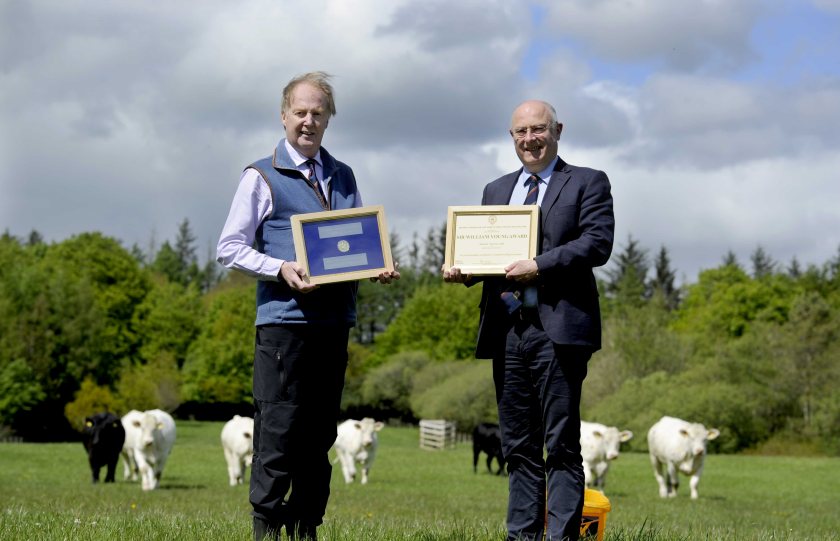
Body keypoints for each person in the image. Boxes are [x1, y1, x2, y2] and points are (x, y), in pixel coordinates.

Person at [217, 71, 398, 541]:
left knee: (320, 436)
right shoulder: (261, 175)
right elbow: (229, 247)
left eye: (318, 113)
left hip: (334, 324)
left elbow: (355, 245)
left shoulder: (344, 175)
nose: (309, 121)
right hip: (284, 326)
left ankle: (306, 525)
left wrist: (376, 264)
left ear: (328, 119)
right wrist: (280, 267)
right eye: (300, 112)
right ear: (283, 116)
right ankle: (267, 527)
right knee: (277, 429)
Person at [443, 100, 614, 540]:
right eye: (520, 132)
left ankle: (560, 538)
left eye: (538, 130)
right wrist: (461, 269)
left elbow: (596, 244)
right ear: (511, 137)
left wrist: (539, 265)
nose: (529, 140)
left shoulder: (587, 182)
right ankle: (521, 536)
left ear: (557, 129)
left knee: (559, 444)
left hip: (559, 329)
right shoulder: (495, 190)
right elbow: (487, 259)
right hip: (507, 331)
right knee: (517, 445)